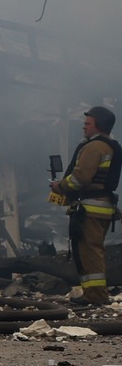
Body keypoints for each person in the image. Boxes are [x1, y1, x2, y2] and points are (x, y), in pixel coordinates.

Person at [52, 104, 119, 308]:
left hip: (90, 209)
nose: (84, 127)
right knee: (92, 251)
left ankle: (96, 295)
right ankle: (93, 293)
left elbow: (79, 179)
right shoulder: (109, 145)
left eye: (88, 124)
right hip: (102, 207)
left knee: (90, 252)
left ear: (99, 125)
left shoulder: (94, 147)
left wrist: (60, 186)